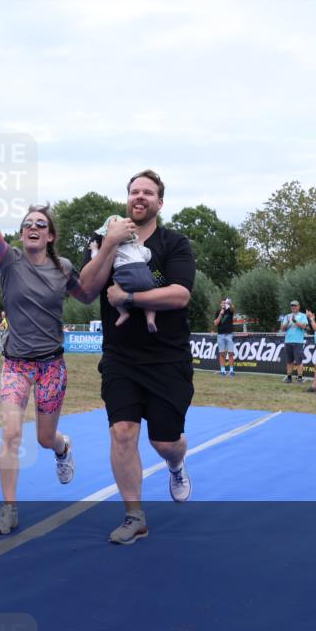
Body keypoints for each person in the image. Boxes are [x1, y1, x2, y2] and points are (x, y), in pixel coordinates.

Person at [0, 144, 92, 535]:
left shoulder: (63, 268)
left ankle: (63, 448)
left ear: (50, 235)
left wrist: (106, 256)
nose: (33, 227)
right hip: (16, 364)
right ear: (20, 234)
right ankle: (9, 509)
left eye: (40, 224)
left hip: (51, 365)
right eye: (27, 224)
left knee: (45, 437)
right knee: (11, 434)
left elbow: (87, 294)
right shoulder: (8, 261)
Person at [78, 169, 195, 545]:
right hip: (120, 357)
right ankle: (134, 517)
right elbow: (85, 290)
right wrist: (109, 244)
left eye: (147, 192)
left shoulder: (174, 243)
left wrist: (129, 298)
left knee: (165, 443)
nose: (139, 197)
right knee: (122, 432)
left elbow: (179, 295)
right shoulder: (104, 237)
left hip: (167, 358)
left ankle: (176, 464)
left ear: (160, 202)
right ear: (127, 198)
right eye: (134, 191)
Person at [99, 215, 158, 333]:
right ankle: (150, 319)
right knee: (150, 298)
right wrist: (141, 246)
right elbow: (148, 256)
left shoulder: (113, 248)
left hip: (125, 274)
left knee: (113, 291)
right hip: (144, 274)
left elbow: (98, 258)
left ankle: (123, 313)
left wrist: (95, 249)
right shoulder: (135, 246)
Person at [280, 300, 308, 383]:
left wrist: (295, 321)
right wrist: (288, 322)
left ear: (299, 306)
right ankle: (289, 377)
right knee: (289, 361)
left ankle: (300, 378)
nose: (293, 307)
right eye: (292, 306)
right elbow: (282, 329)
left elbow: (304, 326)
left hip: (298, 342)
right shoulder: (287, 316)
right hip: (288, 341)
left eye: (295, 305)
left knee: (299, 361)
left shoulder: (303, 316)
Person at [214, 297, 236, 376]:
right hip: (220, 335)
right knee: (222, 354)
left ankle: (231, 371)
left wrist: (230, 303)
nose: (224, 304)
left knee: (230, 353)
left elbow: (233, 309)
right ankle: (223, 371)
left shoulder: (229, 311)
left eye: (225, 303)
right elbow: (216, 323)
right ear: (220, 304)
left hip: (229, 334)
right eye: (222, 303)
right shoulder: (218, 311)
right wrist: (220, 314)